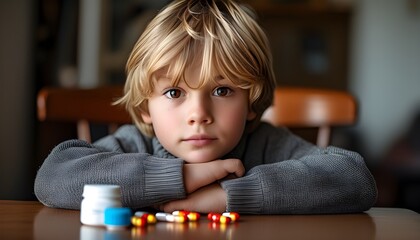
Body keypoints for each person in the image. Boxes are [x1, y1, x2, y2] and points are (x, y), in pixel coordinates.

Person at [34, 0, 377, 214]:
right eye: (173, 93)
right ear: (144, 110)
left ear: (252, 103)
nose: (198, 114)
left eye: (223, 89)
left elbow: (355, 179)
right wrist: (181, 177)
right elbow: (53, 178)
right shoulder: (133, 144)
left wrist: (229, 194)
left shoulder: (268, 145)